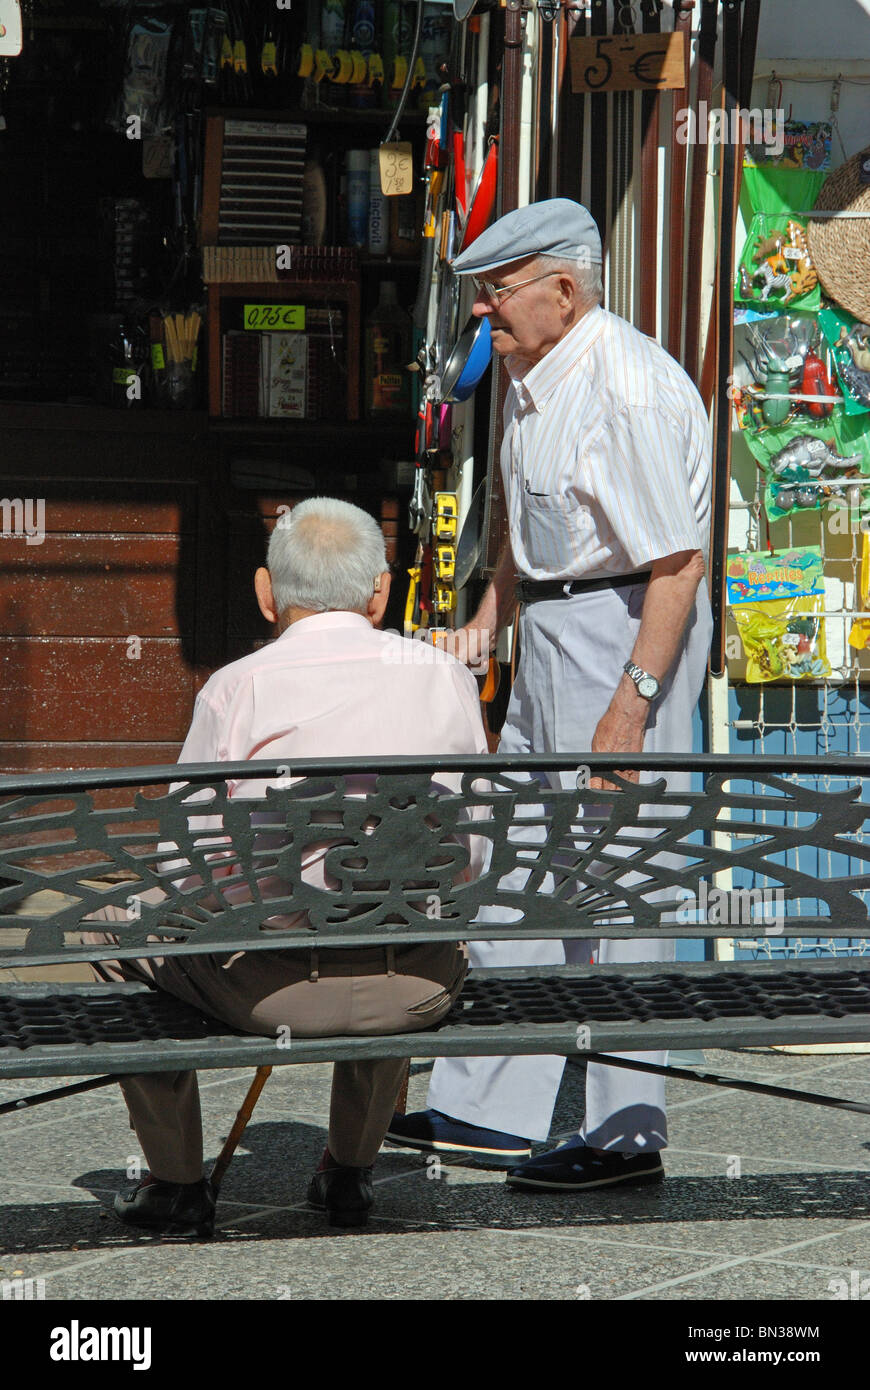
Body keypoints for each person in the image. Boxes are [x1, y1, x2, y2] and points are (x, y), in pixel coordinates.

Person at [387, 198, 713, 1192]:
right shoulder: (533, 372)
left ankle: (625, 1137)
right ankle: (485, 1107)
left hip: (626, 626)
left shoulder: (627, 390)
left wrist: (634, 702)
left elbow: (677, 567)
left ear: (563, 291)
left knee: (621, 880)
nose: (484, 313)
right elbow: (522, 524)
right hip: (561, 627)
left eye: (498, 294)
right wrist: (492, 617)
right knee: (521, 857)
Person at [84, 497, 489, 1234]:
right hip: (420, 983)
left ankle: (176, 1184)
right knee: (391, 900)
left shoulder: (238, 688)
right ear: (380, 591)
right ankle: (349, 1176)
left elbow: (187, 868)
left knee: (108, 926)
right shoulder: (445, 677)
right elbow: (475, 853)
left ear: (267, 592)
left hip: (272, 993)